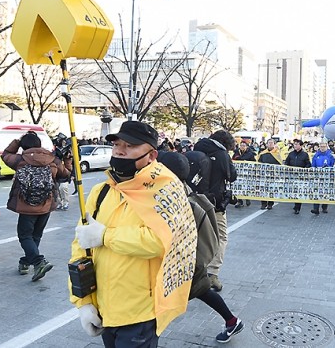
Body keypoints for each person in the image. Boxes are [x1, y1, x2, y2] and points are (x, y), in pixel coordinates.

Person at [70, 121, 197, 346]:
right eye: (117, 144)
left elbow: (160, 241)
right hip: (105, 309)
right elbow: (80, 246)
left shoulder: (165, 190)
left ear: (151, 155)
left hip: (141, 313)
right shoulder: (101, 192)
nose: (119, 150)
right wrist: (83, 301)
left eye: (129, 146)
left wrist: (105, 236)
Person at [157, 151, 244, 343]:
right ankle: (232, 321)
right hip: (185, 256)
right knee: (200, 289)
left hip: (181, 257)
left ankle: (232, 321)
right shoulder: (182, 189)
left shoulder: (173, 195)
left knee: (197, 289)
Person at [3, 131, 72, 280]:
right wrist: (68, 160)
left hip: (26, 205)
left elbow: (6, 154)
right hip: (46, 205)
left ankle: (38, 262)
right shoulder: (53, 160)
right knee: (35, 235)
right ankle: (25, 262)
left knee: (24, 236)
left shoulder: (20, 160)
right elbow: (66, 174)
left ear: (23, 145)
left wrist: (18, 140)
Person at [193, 130, 237, 293]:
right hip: (214, 203)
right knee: (220, 237)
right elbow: (231, 176)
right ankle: (212, 274)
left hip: (194, 201)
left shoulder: (196, 149)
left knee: (198, 236)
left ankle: (194, 271)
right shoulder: (221, 154)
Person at [285, 139, 311, 214]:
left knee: (299, 191)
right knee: (293, 191)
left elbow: (308, 164)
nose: (295, 145)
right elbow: (287, 162)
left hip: (300, 177)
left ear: (301, 145)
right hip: (292, 176)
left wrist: (305, 169)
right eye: (294, 144)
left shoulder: (305, 154)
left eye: (297, 144)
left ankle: (297, 207)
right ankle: (295, 204)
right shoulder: (291, 154)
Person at [311, 140, 335, 215]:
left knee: (325, 192)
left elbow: (332, 165)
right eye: (321, 146)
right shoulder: (316, 155)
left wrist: (328, 168)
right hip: (317, 176)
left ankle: (324, 207)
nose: (322, 148)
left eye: (324, 146)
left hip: (326, 176)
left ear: (326, 146)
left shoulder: (330, 155)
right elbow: (313, 165)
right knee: (316, 192)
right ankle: (316, 208)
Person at [256, 139, 282, 210]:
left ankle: (270, 203)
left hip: (273, 175)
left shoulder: (278, 153)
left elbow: (280, 163)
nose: (270, 144)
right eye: (269, 143)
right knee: (263, 189)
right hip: (264, 174)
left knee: (271, 189)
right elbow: (259, 163)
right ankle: (263, 203)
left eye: (272, 143)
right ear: (266, 144)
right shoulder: (263, 153)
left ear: (274, 144)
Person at [232, 141, 255, 208]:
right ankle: (240, 201)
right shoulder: (236, 153)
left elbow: (254, 162)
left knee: (246, 186)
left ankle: (247, 198)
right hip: (238, 173)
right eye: (241, 145)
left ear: (246, 146)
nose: (242, 147)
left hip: (247, 173)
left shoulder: (250, 154)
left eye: (243, 145)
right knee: (239, 187)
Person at [54, 136, 72, 211]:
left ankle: (65, 202)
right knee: (57, 189)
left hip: (65, 171)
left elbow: (73, 163)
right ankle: (59, 202)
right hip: (57, 171)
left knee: (63, 188)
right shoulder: (55, 150)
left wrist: (72, 174)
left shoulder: (68, 151)